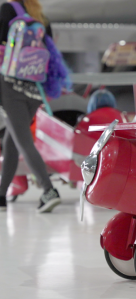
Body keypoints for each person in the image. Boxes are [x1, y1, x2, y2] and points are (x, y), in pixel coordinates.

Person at [0, 0, 60, 213]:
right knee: (12, 141)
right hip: (35, 88)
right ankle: (1, 195)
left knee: (23, 140)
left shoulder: (7, 9)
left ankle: (49, 190)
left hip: (10, 86)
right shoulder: (41, 16)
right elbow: (52, 54)